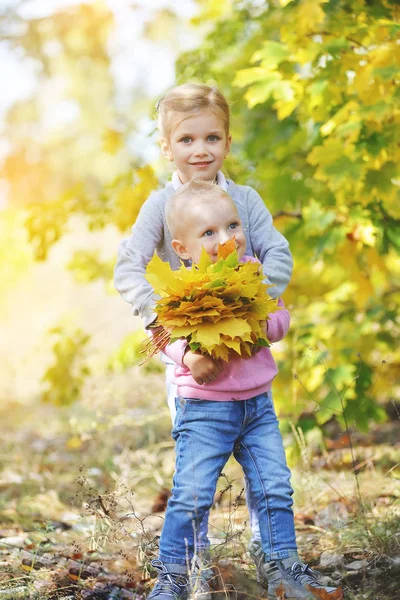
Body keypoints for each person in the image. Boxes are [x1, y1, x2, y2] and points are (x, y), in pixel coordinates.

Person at [113, 82, 292, 589]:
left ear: (227, 143)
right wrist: (165, 324)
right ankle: (192, 566)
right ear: (168, 146)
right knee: (196, 476)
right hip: (192, 363)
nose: (201, 150)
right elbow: (128, 266)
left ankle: (274, 557)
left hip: (248, 357)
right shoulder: (161, 206)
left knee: (268, 476)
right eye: (187, 140)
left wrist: (253, 300)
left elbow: (276, 254)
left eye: (212, 138)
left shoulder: (244, 201)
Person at [146, 179, 342, 600]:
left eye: (232, 225)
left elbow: (279, 322)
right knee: (193, 494)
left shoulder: (252, 273)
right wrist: (191, 358)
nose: (226, 238)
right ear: (182, 248)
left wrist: (258, 322)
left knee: (274, 485)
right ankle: (174, 576)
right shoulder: (181, 288)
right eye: (209, 232)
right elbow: (164, 334)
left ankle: (283, 568)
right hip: (204, 410)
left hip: (257, 405)